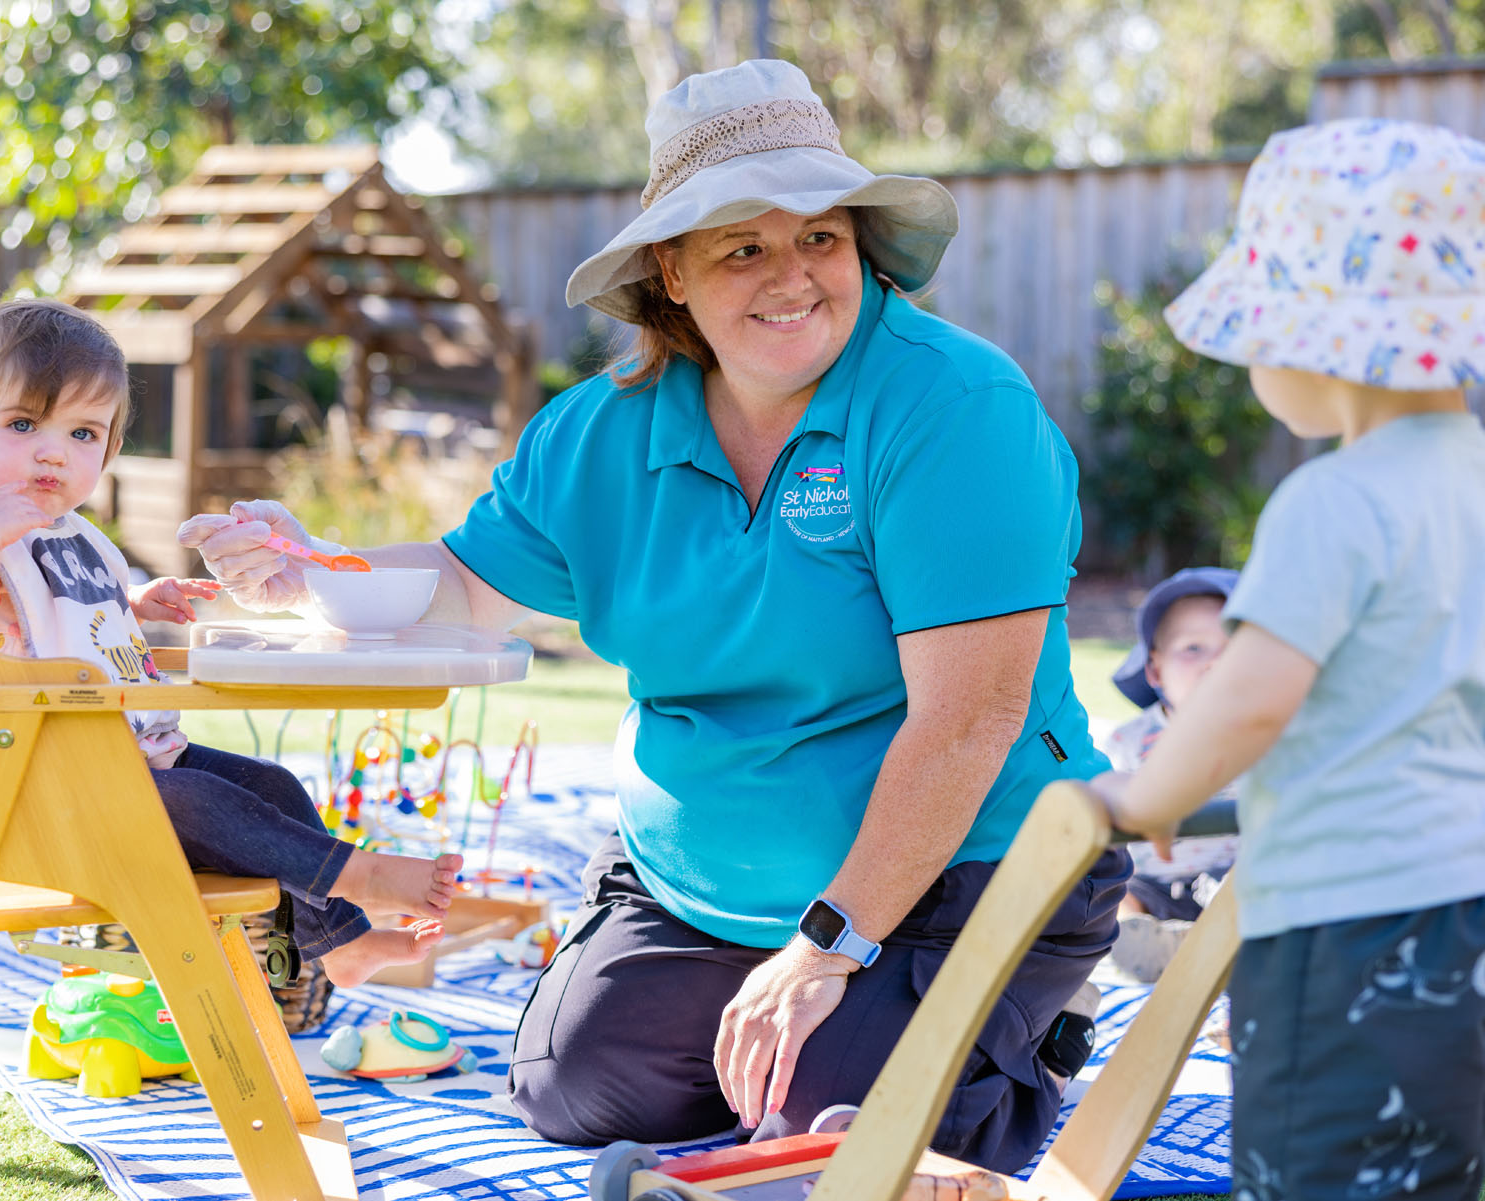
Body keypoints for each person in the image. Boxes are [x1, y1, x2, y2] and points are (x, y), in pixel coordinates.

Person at [182, 60, 1126, 1170]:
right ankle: (809, 1045)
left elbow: (968, 722)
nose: (793, 276)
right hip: (701, 893)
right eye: (742, 246)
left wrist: (824, 947)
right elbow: (467, 581)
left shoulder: (957, 408)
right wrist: (309, 573)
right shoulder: (598, 435)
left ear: (860, 246)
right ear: (670, 272)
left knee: (826, 1133)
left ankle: (1011, 1047)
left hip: (959, 876)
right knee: (570, 1086)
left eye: (820, 237)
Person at [1094, 118, 1485, 1201]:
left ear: (1315, 342)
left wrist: (1147, 794)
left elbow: (1253, 698)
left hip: (1349, 929)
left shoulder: (1335, 502)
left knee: (1317, 1170)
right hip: (1470, 915)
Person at [0, 297, 460, 990]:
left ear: (110, 450)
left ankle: (339, 940)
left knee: (269, 785)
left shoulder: (66, 531)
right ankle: (361, 872)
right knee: (199, 801)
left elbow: (55, 615)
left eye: (82, 433)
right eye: (22, 423)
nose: (52, 450)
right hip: (31, 791)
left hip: (122, 766)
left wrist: (128, 603)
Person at [1102, 567, 1242, 981]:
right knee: (1113, 894)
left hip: (1228, 882)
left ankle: (1221, 948)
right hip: (1151, 883)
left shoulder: (1265, 733)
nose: (1215, 664)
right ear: (1155, 671)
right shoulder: (1130, 740)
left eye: (1232, 650)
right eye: (1193, 648)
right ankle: (1145, 943)